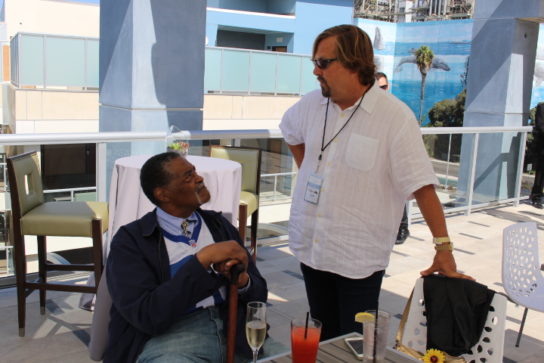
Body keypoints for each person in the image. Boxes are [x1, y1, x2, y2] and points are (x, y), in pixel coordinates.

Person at [279, 25, 473, 340]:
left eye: (324, 63)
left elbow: (422, 185)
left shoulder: (394, 117)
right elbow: (290, 132)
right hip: (312, 245)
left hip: (357, 257)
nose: (316, 70)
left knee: (356, 344)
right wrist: (308, 174)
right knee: (323, 334)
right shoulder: (311, 104)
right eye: (314, 62)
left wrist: (444, 248)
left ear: (354, 63)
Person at [104, 152, 268, 363]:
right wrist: (202, 260)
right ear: (163, 194)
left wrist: (243, 280)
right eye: (188, 176)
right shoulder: (131, 241)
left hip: (235, 330)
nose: (200, 179)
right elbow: (148, 316)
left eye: (195, 172)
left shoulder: (219, 226)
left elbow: (260, 294)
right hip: (174, 336)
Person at [375, 71, 410, 244]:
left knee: (398, 192)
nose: (381, 90)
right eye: (377, 88)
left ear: (388, 86)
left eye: (384, 87)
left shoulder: (397, 109)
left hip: (394, 159)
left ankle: (402, 227)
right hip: (375, 160)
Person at [530, 103, 544, 209]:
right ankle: (536, 196)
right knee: (540, 174)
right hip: (542, 147)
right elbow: (540, 126)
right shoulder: (541, 107)